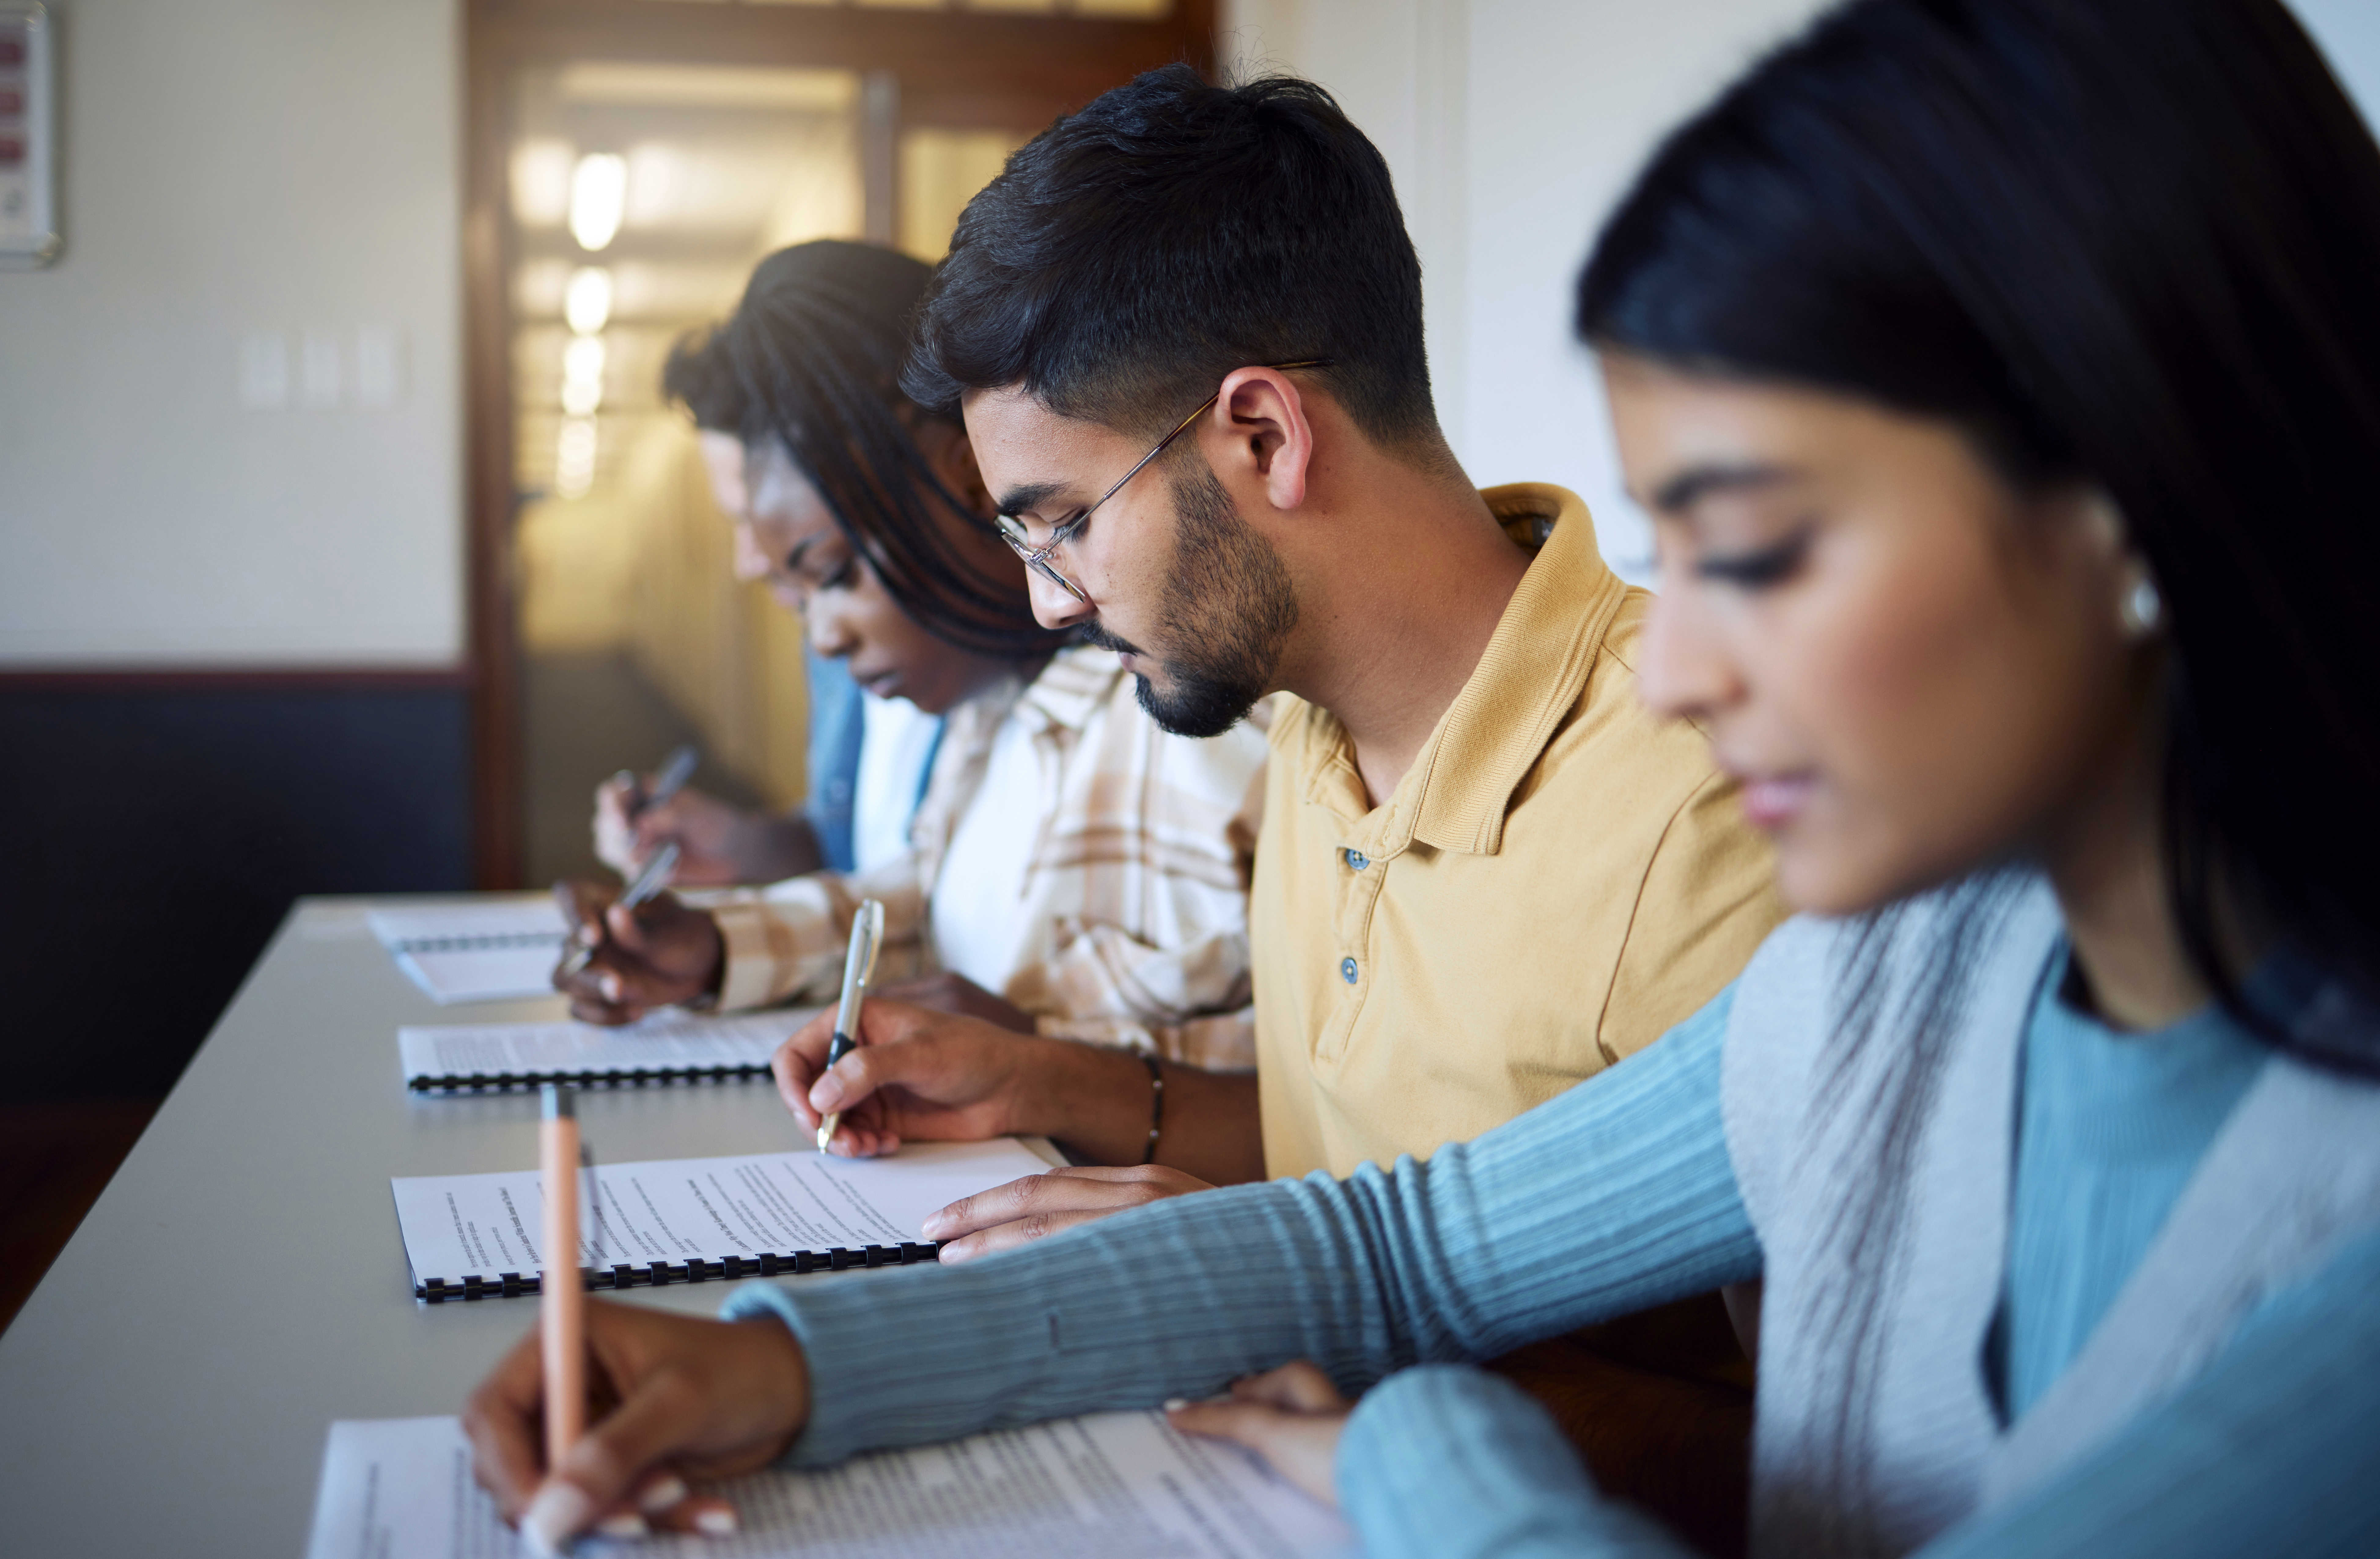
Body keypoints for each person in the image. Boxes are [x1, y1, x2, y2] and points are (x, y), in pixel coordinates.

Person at [466, 2, 2380, 1554]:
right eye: (1668, 540)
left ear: (2129, 500)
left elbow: (1478, 1349)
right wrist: (772, 1365)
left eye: (1763, 542)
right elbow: (1408, 1229)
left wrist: (1415, 1447)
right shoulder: (1904, 968)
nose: (1686, 665)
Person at [555, 241, 1268, 1070]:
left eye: (833, 573)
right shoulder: (987, 704)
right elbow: (922, 898)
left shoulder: (1191, 707)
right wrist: (717, 945)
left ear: (965, 480)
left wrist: (1042, 1058)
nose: (818, 630)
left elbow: (1292, 1065)